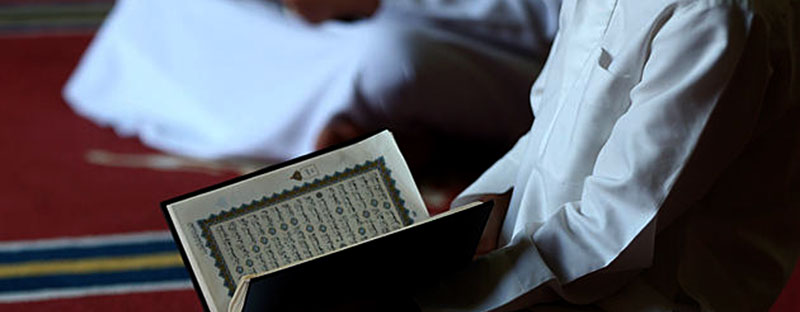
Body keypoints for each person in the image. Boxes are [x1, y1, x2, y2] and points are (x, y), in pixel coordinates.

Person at [134, 0, 800, 312]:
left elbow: (607, 241)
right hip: (522, 277)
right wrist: (436, 236)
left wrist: (413, 297)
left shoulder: (717, 15)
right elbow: (538, 140)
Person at [63, 0, 562, 162]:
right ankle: (372, 135)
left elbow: (562, 17)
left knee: (387, 60)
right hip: (337, 24)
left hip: (505, 49)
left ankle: (397, 138)